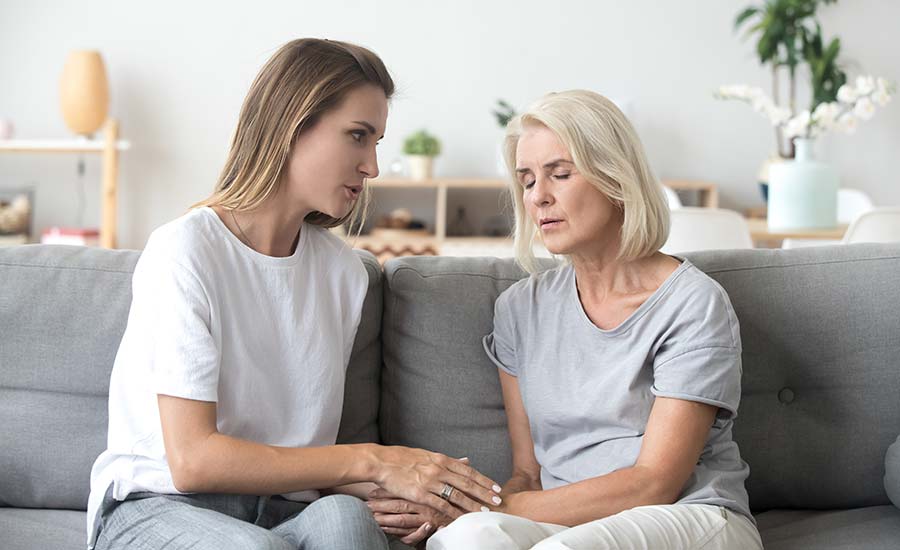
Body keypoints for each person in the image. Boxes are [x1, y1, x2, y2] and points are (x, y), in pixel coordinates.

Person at [86, 38, 500, 550]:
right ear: (292, 125)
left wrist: (419, 491)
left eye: (376, 142)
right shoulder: (186, 250)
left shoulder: (342, 273)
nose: (371, 166)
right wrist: (375, 460)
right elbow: (192, 461)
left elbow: (306, 458)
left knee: (347, 521)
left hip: (281, 508)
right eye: (358, 136)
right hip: (161, 505)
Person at [425, 90, 764, 549]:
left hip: (690, 514)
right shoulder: (519, 309)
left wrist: (488, 507)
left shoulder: (693, 304)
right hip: (568, 524)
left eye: (560, 174)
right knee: (469, 537)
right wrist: (458, 509)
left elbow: (654, 483)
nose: (538, 197)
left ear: (616, 178)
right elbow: (528, 474)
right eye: (527, 181)